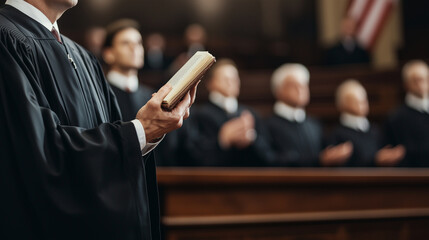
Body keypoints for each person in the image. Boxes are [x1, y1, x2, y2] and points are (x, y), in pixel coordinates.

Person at [0, 1, 199, 239]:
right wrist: (141, 130)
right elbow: (38, 152)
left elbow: (116, 132)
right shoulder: (6, 39)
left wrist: (147, 133)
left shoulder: (83, 56)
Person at [187, 59, 268, 167]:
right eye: (225, 79)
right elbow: (192, 156)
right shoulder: (198, 115)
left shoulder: (250, 114)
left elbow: (268, 157)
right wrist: (222, 140)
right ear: (210, 83)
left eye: (235, 78)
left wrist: (252, 139)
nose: (231, 82)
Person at [322, 80, 405, 167]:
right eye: (355, 99)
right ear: (342, 103)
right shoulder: (336, 134)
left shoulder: (375, 131)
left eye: (363, 98)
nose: (362, 102)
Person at [265, 64, 323, 167]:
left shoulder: (314, 124)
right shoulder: (267, 125)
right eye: (293, 85)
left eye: (304, 85)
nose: (300, 89)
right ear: (278, 90)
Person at [102, 19, 153, 121]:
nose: (134, 48)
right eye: (125, 43)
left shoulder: (151, 97)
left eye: (138, 43)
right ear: (108, 54)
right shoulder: (100, 94)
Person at [384, 60, 429, 167]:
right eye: (416, 80)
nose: (421, 84)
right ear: (406, 84)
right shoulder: (396, 118)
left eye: (425, 79)